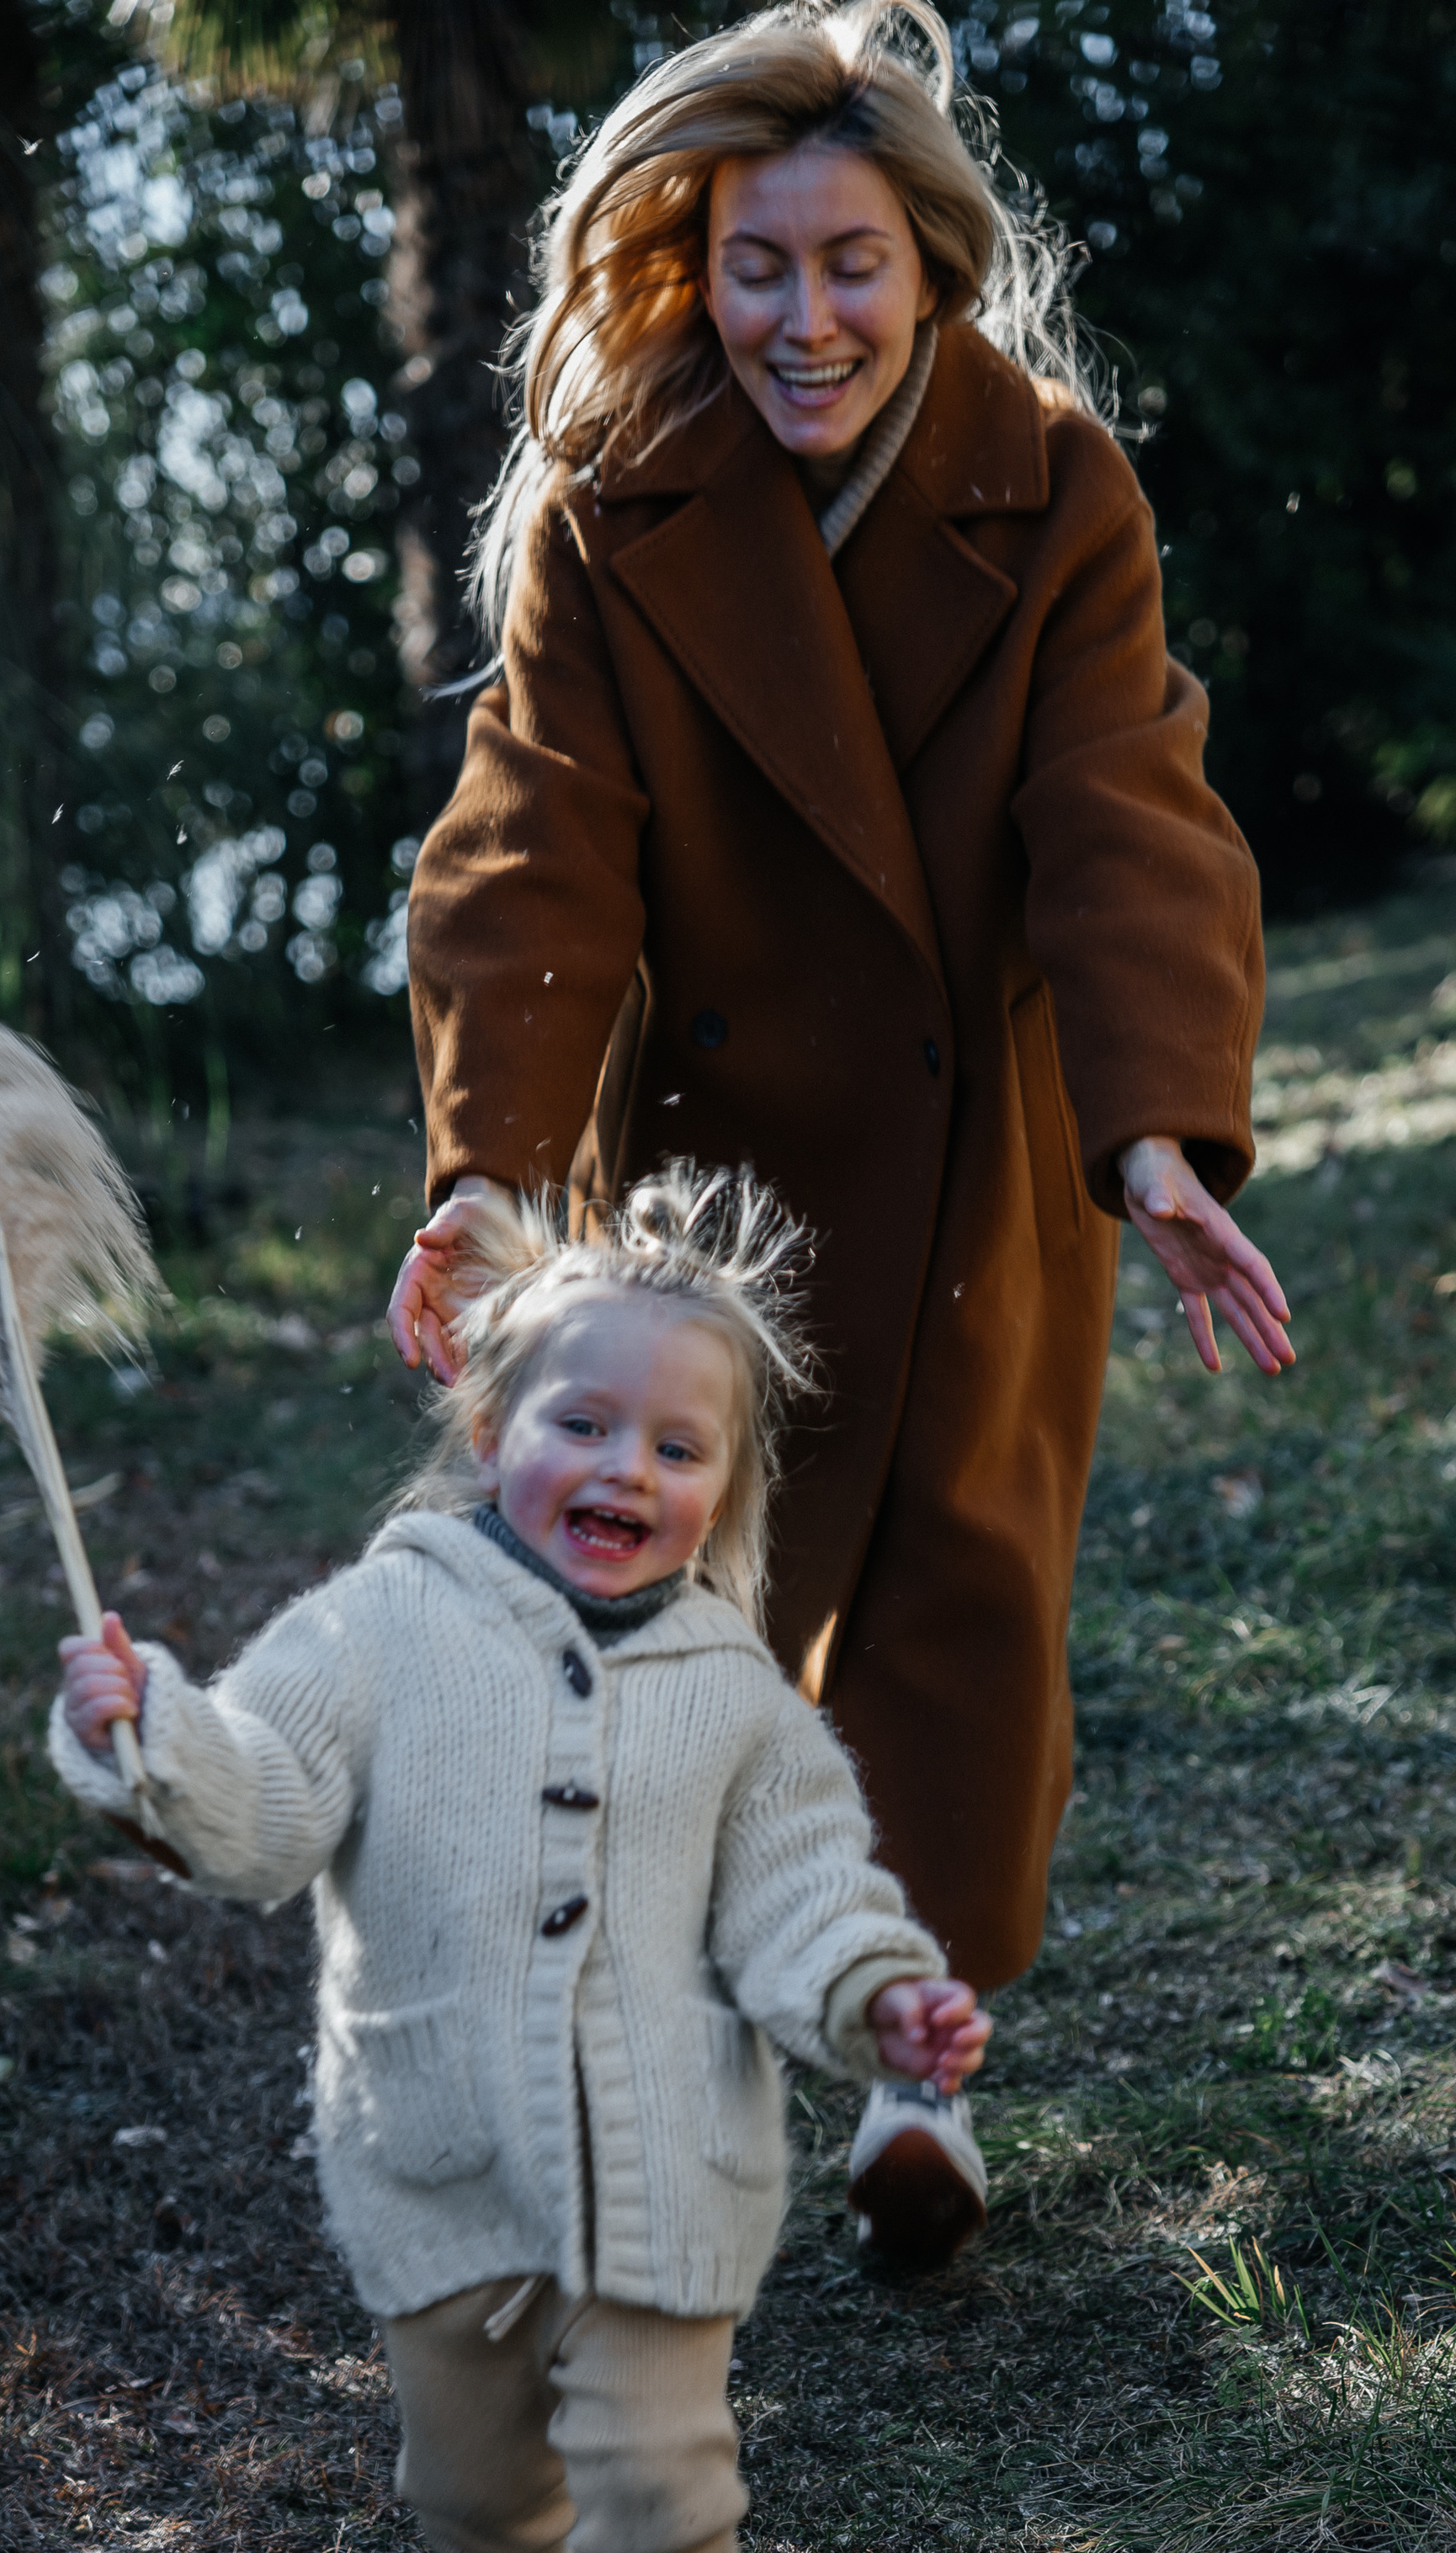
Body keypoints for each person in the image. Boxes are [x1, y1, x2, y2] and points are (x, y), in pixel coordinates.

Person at [387, 0, 1288, 2268]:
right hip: (691, 1158)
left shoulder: (1059, 484)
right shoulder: (617, 507)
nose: (809, 319)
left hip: (980, 1133)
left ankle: (918, 2069)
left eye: (854, 262)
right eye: (760, 265)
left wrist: (1160, 1125)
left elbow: (1124, 810)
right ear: (692, 268)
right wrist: (493, 1164)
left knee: (963, 1597)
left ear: (935, 263)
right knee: (673, 1598)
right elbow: (537, 839)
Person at [49, 1167, 986, 2553]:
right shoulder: (378, 1629)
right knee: (474, 2496)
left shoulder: (732, 1692)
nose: (627, 1472)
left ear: (726, 1485)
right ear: (490, 1425)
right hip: (440, 2158)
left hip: (662, 2167)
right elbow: (257, 1804)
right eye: (583, 1423)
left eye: (678, 1448)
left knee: (662, 2473)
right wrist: (150, 1732)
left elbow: (800, 1893)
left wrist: (876, 1999)